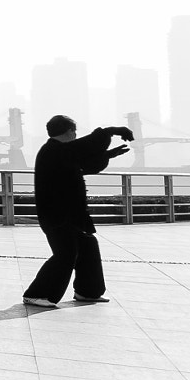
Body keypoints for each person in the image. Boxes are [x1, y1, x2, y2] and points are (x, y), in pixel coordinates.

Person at [22, 114, 132, 307]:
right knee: (66, 253)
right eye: (74, 131)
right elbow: (84, 147)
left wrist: (108, 154)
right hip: (57, 216)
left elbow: (83, 163)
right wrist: (110, 131)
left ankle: (87, 292)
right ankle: (36, 294)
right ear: (68, 131)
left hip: (72, 214)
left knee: (88, 246)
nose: (75, 134)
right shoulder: (52, 150)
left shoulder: (60, 152)